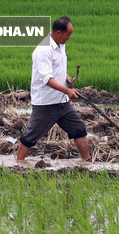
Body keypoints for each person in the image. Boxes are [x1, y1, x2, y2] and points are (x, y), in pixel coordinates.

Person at [17, 16, 90, 161]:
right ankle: (18, 164)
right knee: (30, 137)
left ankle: (88, 162)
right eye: (68, 34)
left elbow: (56, 68)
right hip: (46, 103)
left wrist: (67, 77)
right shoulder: (43, 50)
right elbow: (47, 79)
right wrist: (67, 91)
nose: (69, 38)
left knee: (79, 129)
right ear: (58, 33)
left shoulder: (60, 44)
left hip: (62, 102)